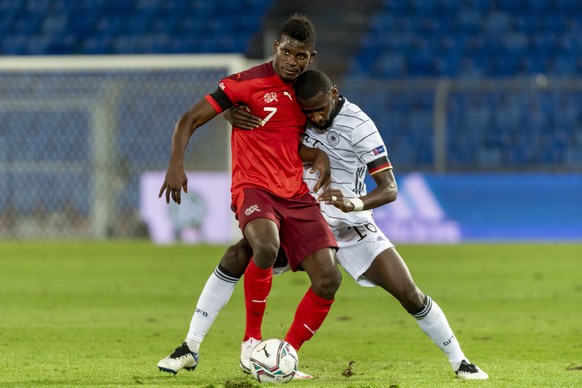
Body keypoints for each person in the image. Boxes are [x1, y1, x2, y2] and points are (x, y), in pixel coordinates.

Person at [229, 69, 489, 380]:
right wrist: (231, 112)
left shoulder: (360, 126)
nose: (314, 117)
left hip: (353, 224)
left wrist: (353, 203)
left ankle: (460, 361)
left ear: (335, 93)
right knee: (244, 255)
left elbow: (390, 188)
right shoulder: (295, 111)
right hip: (304, 218)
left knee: (408, 292)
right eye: (308, 111)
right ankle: (199, 343)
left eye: (320, 109)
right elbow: (264, 129)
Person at [157, 15, 341, 378]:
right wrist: (177, 164)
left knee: (328, 279)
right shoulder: (244, 84)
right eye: (287, 52)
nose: (292, 61)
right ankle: (251, 343)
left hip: (295, 193)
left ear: (311, 57)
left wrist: (316, 156)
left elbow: (287, 137)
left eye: (301, 56)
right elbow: (188, 120)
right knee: (265, 247)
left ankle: (279, 357)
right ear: (276, 47)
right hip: (254, 186)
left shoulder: (308, 91)